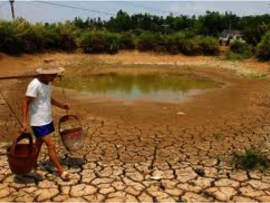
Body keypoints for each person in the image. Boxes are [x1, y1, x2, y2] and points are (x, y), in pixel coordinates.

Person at [22, 64, 70, 180]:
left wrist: (62, 106)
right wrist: (24, 122)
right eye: (52, 74)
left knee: (38, 144)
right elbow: (25, 102)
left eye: (56, 74)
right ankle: (60, 170)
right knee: (51, 144)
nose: (55, 76)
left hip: (47, 119)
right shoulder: (34, 85)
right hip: (38, 122)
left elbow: (48, 98)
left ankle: (31, 166)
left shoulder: (48, 83)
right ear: (44, 74)